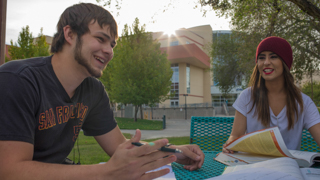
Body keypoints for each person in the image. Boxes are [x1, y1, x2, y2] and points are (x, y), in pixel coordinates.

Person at [0, 3, 204, 180]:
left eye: (112, 44)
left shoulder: (92, 90)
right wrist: (106, 173)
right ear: (69, 34)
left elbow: (120, 146)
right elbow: (9, 171)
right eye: (100, 39)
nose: (109, 51)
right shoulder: (18, 80)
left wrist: (174, 153)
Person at [223, 36, 320, 153]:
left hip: (289, 168)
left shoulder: (303, 102)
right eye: (261, 58)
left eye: (273, 57)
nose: (266, 62)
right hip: (253, 167)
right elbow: (235, 136)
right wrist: (230, 143)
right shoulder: (247, 97)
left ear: (285, 63)